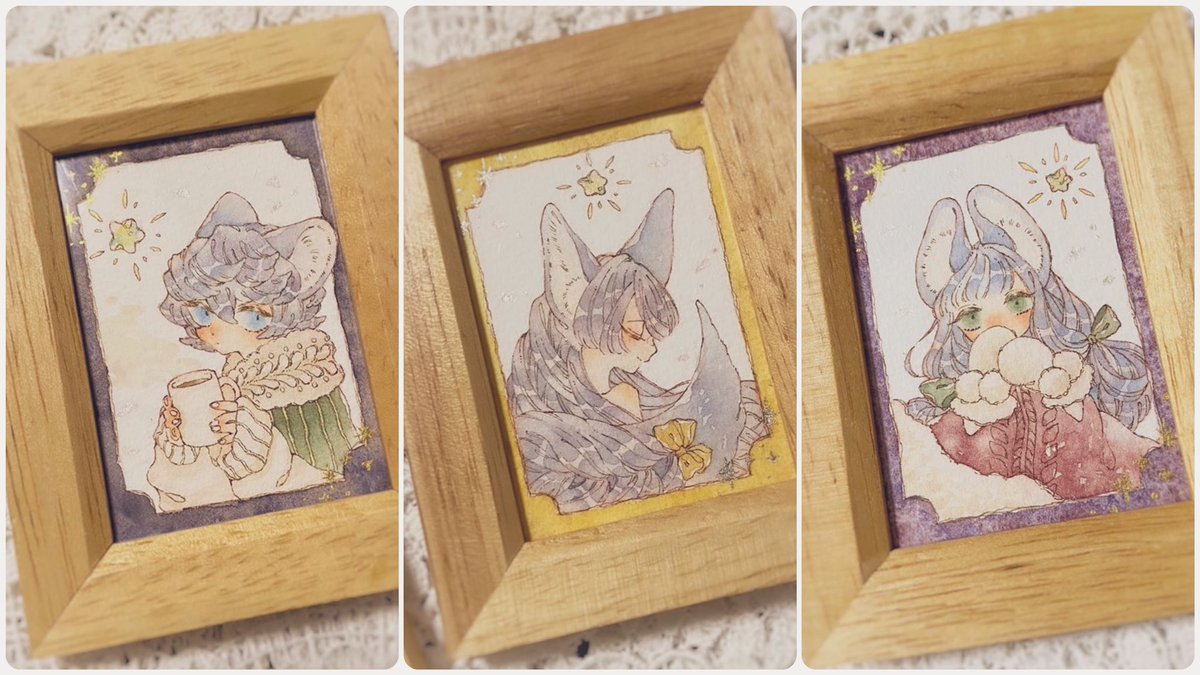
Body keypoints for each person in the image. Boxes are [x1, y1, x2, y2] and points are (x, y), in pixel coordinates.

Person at [149, 192, 360, 510]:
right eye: (202, 313)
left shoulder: (305, 380)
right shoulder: (235, 377)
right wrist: (181, 437)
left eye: (247, 314)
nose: (215, 329)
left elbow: (332, 473)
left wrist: (253, 444)